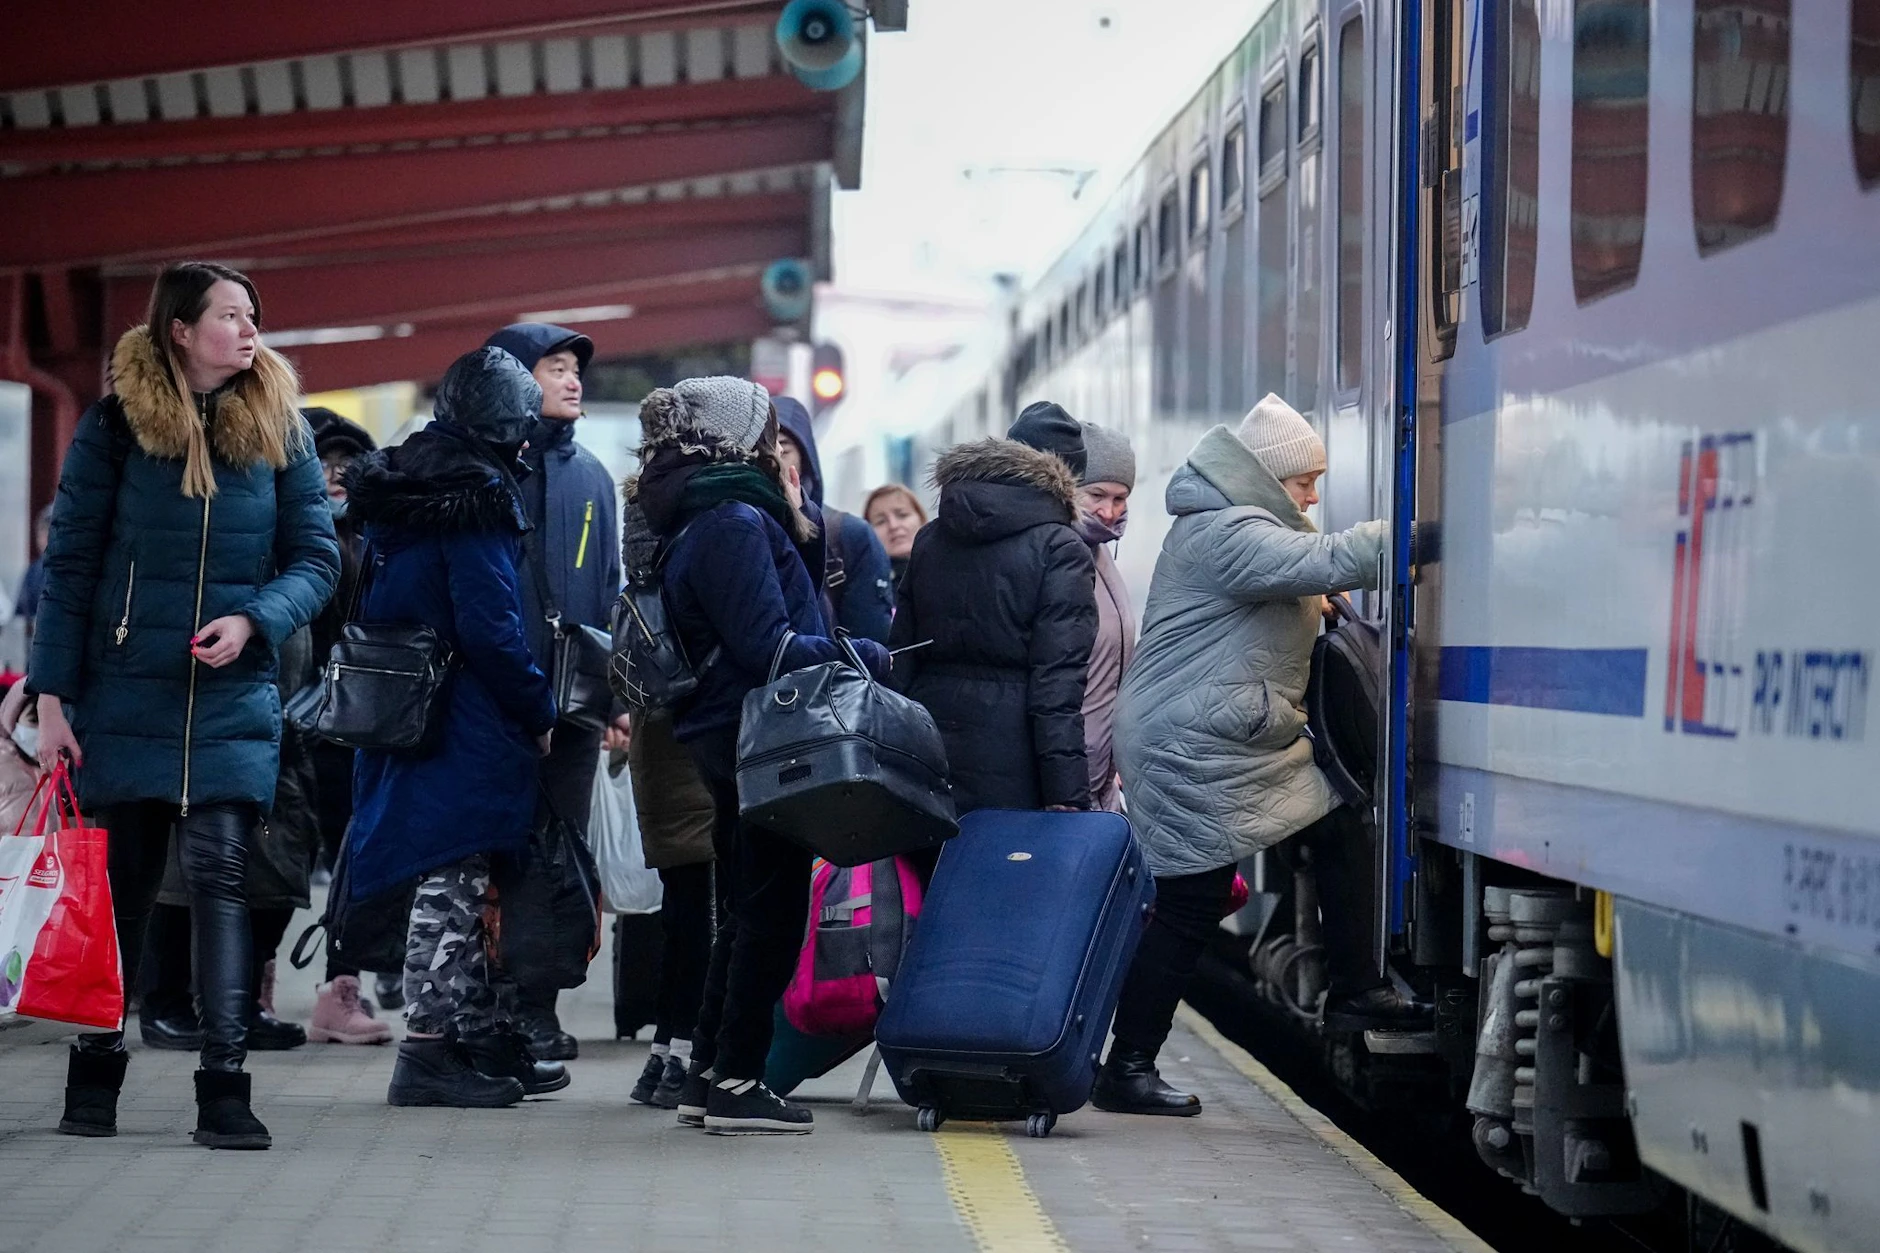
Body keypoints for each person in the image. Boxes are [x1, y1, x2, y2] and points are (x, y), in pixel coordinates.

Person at [30, 261, 340, 1149]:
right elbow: (72, 567)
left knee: (221, 879)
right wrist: (52, 700)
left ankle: (225, 1084)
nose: (250, 331)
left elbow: (316, 560)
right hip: (125, 692)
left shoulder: (281, 427)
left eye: (254, 316)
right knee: (120, 894)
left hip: (233, 696)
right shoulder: (117, 427)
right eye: (231, 316)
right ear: (179, 328)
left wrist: (255, 618)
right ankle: (94, 1070)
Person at [1099, 394, 1419, 1118]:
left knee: (1328, 829)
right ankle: (1127, 1065)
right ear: (1270, 479)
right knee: (1191, 903)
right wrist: (1417, 530)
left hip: (1209, 737)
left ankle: (1352, 989)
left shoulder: (1230, 525)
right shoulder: (1227, 529)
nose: (1312, 494)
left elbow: (1279, 591)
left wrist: (1317, 607)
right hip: (1192, 745)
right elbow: (1323, 556)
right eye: (1304, 481)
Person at [638, 375, 889, 1135]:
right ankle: (739, 1079)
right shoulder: (733, 519)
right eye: (763, 430)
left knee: (744, 908)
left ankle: (712, 1073)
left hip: (724, 732)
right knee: (770, 912)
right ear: (738, 438)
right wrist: (865, 653)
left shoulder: (698, 514)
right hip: (755, 736)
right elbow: (768, 646)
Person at [343, 347, 565, 1109]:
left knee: (450, 876)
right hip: (466, 719)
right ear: (507, 427)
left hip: (407, 710)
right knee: (454, 880)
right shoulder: (474, 499)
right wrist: (538, 710)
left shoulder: (405, 488)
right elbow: (492, 629)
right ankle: (429, 1051)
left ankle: (462, 1040)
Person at [483, 321, 627, 1061]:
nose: (572, 380)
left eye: (576, 369)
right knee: (488, 853)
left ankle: (534, 1005)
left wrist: (617, 699)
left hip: (572, 708)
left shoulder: (593, 477)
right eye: (555, 367)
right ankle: (482, 1003)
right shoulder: (482, 470)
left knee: (555, 855)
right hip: (493, 703)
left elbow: (608, 594)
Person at [889, 401, 1098, 818]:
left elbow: (901, 656)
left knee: (936, 878)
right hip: (1013, 761)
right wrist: (1067, 792)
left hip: (929, 747)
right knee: (1006, 877)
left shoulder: (932, 536)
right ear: (1068, 478)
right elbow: (1056, 687)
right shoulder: (1061, 549)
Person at [138, 624, 324, 1054]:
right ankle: (166, 1003)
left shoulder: (300, 568)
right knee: (179, 879)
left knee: (270, 879)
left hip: (282, 736)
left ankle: (239, 1004)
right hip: (197, 736)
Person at [299, 408, 399, 1042]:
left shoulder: (374, 538)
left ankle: (342, 986)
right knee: (270, 857)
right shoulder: (281, 533)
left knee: (350, 857)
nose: (335, 478)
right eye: (323, 464)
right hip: (284, 716)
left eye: (346, 466)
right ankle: (246, 985)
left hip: (348, 725)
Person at [618, 490, 719, 1111]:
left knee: (685, 904)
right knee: (705, 907)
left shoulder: (647, 514)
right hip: (701, 731)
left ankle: (666, 1052)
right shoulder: (714, 521)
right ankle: (688, 1054)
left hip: (660, 725)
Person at [774, 396, 894, 642]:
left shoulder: (848, 535)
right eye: (762, 448)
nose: (774, 459)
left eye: (784, 448)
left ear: (805, 457)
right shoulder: (736, 528)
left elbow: (871, 644)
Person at [1075, 423, 1138, 813]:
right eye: (1096, 494)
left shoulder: (1100, 552)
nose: (1109, 511)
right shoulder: (1065, 554)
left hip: (1101, 777)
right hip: (1070, 778)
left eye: (1121, 498)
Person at [862, 484, 927, 596]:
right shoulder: (865, 588)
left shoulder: (950, 570)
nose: (893, 526)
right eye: (880, 521)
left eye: (902, 515)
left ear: (921, 519)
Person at [12, 505, 52, 628]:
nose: (43, 540)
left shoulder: (74, 570)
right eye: (41, 533)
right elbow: (19, 613)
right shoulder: (33, 571)